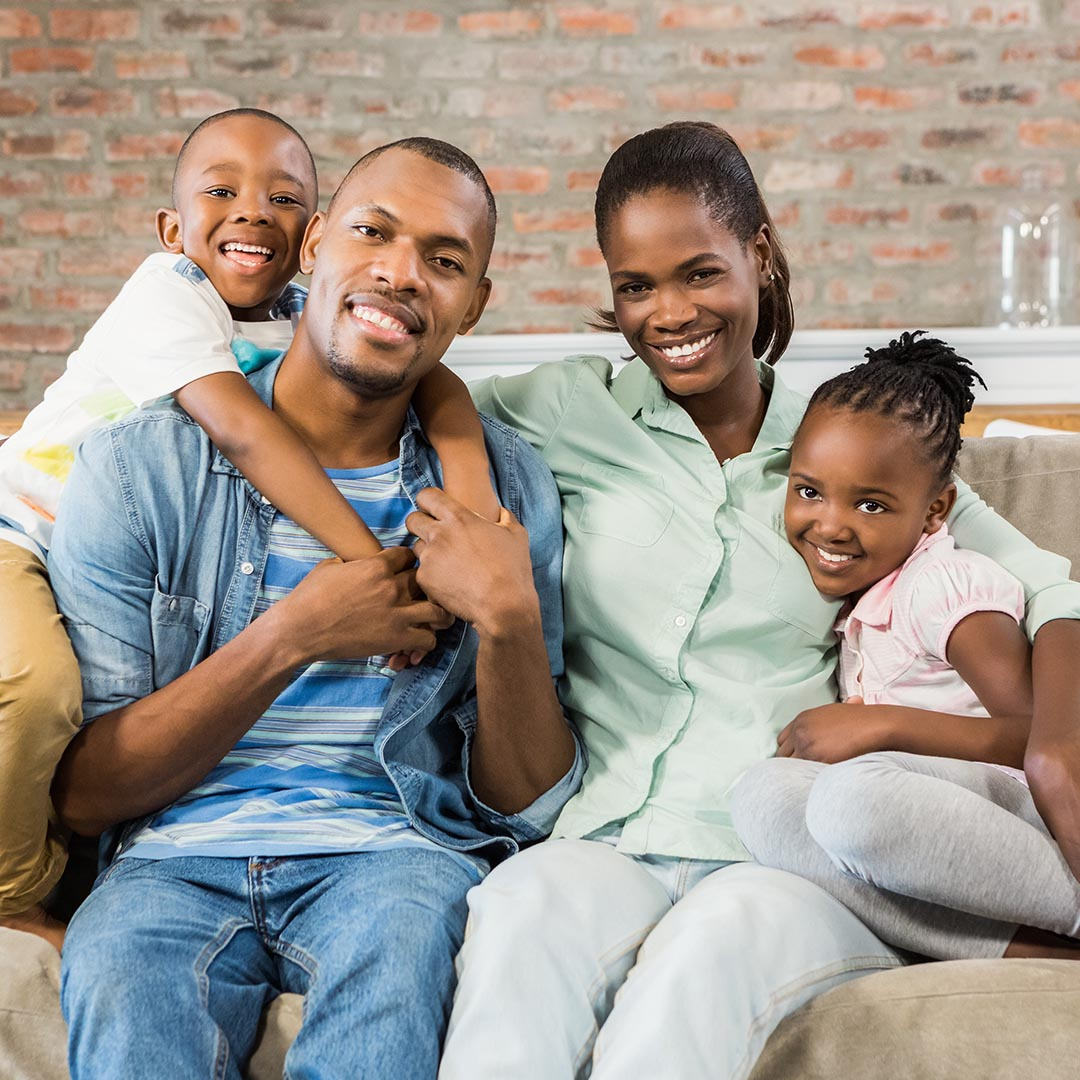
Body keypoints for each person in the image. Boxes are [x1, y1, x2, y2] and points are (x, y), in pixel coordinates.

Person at [438, 121, 1080, 1079]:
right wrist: (460, 473)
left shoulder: (846, 448)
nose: (669, 312)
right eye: (635, 286)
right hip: (604, 835)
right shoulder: (566, 411)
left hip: (778, 856)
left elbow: (1046, 584)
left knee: (706, 959)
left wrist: (1054, 743)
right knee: (518, 916)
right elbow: (421, 391)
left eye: (700, 272)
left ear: (759, 255)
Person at [48, 137, 584, 1078]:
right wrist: (294, 635)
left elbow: (524, 803)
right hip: (169, 864)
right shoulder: (139, 468)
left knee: (402, 958)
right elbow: (91, 794)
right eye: (373, 232)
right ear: (315, 245)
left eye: (445, 260)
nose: (400, 272)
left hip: (396, 857)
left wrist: (508, 617)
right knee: (124, 985)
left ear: (475, 302)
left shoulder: (506, 488)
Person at [0, 109, 497, 951]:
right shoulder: (168, 293)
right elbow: (242, 430)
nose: (252, 210)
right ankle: (16, 891)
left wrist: (475, 494)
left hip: (94, 553)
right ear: (171, 227)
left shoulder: (306, 309)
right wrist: (373, 568)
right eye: (221, 191)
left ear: (311, 234)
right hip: (21, 529)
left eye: (283, 195)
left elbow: (435, 381)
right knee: (33, 687)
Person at [730, 330, 1080, 960]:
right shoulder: (865, 603)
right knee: (762, 798)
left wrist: (880, 727)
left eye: (870, 504)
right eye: (808, 491)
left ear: (934, 511)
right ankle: (1026, 950)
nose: (830, 524)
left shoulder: (945, 586)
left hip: (1018, 817)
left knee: (854, 798)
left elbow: (1037, 732)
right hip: (936, 826)